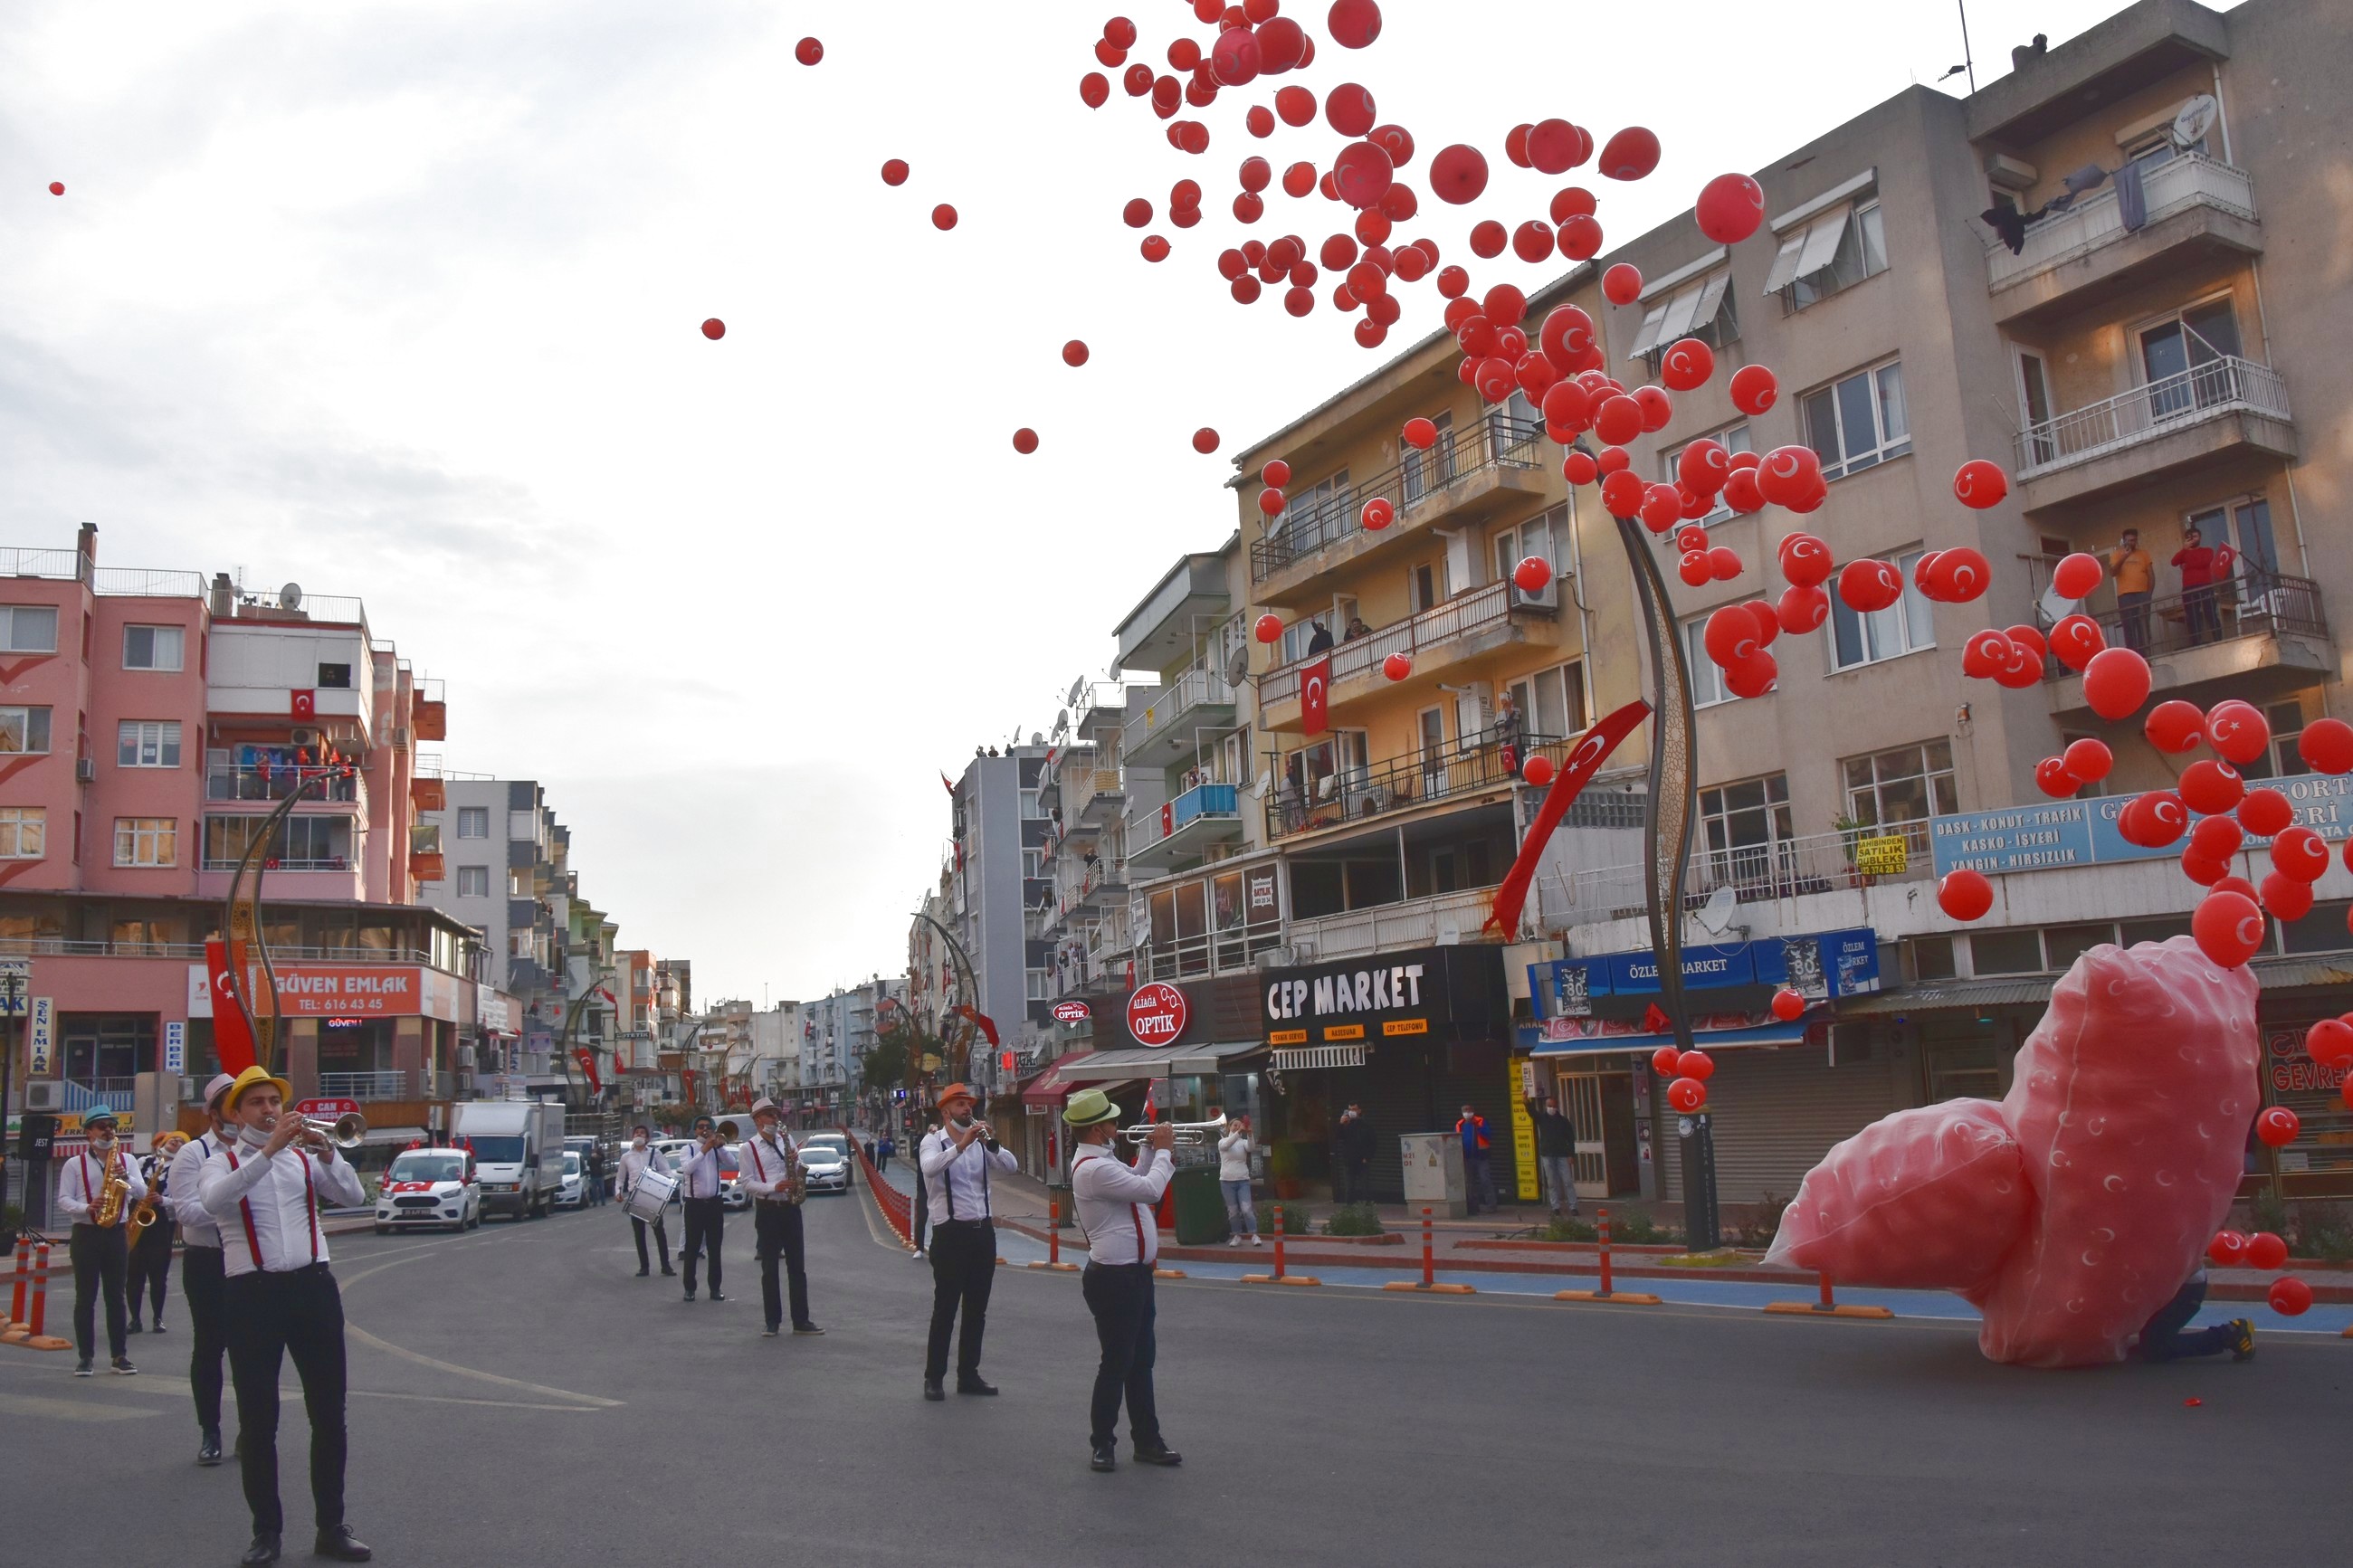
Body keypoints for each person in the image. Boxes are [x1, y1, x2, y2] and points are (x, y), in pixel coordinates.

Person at [198, 1066, 372, 1564]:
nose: (270, 1110)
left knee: (329, 1415)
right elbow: (214, 1201)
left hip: (313, 1289)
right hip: (252, 1295)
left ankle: (331, 1527)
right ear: (236, 1112)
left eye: (274, 1100)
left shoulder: (302, 1157)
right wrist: (269, 1150)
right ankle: (266, 1533)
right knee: (258, 1421)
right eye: (257, 1103)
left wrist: (329, 1153)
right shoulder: (220, 1161)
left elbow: (354, 1197)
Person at [1064, 1088, 1183, 1474]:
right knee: (1117, 1363)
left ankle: (1147, 1440)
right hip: (1114, 1279)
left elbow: (1134, 1179)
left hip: (1134, 1276)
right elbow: (1149, 1189)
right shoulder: (1093, 1168)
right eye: (1113, 1122)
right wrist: (1164, 1150)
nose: (1118, 1126)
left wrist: (1148, 1152)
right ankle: (1103, 1444)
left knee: (1141, 1362)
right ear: (1099, 1129)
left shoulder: (1104, 1161)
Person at [917, 1082, 1015, 1401]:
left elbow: (1011, 1167)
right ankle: (934, 1378)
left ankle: (968, 1375)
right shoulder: (932, 1141)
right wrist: (960, 1145)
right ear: (946, 1111)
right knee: (945, 1309)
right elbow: (930, 1169)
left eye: (968, 1103)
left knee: (977, 1309)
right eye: (959, 1104)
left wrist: (992, 1144)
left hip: (982, 1233)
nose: (966, 1109)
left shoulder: (980, 1142)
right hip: (950, 1234)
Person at [168, 1073, 240, 1466]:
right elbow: (188, 1212)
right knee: (210, 1349)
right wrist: (237, 1209)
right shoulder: (193, 1153)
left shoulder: (257, 1150)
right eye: (230, 1105)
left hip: (249, 1262)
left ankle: (253, 1427)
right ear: (212, 1113)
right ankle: (210, 1431)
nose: (236, 1112)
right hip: (208, 1262)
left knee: (254, 1350)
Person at [59, 1102, 145, 1376]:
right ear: (89, 1133)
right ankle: (86, 1357)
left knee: (116, 1296)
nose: (108, 1131)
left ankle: (119, 1355)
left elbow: (142, 1192)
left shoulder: (127, 1160)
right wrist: (86, 1207)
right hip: (85, 1233)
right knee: (85, 1297)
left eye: (111, 1127)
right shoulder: (74, 1163)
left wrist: (127, 1176)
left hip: (116, 1233)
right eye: (102, 1126)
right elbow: (63, 1199)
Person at [739, 1099, 821, 1338]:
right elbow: (746, 1183)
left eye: (776, 1114)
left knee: (797, 1267)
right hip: (768, 1209)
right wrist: (773, 1186)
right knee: (770, 1268)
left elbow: (795, 1169)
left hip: (790, 1208)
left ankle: (801, 1320)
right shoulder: (748, 1148)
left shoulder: (786, 1140)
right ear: (757, 1120)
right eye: (769, 1115)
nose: (775, 1119)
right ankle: (772, 1321)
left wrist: (795, 1163)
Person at [2135, 1268, 2255, 1364]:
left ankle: (2231, 1334)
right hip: (2173, 1281)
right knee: (2147, 1341)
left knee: (2155, 1348)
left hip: (2182, 1287)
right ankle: (2148, 1340)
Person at [129, 1134, 181, 1335]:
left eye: (180, 1142)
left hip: (160, 1225)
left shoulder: (178, 1169)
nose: (176, 1143)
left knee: (158, 1276)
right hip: (138, 1220)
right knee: (134, 1275)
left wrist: (162, 1200)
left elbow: (182, 1200)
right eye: (173, 1140)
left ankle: (157, 1318)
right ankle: (135, 1319)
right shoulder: (143, 1162)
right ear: (160, 1144)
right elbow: (131, 1185)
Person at [677, 1116, 729, 1303]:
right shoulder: (687, 1149)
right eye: (700, 1127)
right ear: (694, 1130)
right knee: (692, 1248)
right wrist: (704, 1150)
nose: (704, 1130)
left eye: (708, 1127)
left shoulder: (717, 1149)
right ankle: (689, 1288)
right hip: (694, 1205)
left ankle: (715, 1288)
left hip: (714, 1203)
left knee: (715, 1248)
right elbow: (688, 1169)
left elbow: (731, 1163)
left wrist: (719, 1146)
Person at [617, 1126, 675, 1278]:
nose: (639, 1135)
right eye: (637, 1132)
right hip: (635, 1195)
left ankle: (665, 1265)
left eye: (642, 1133)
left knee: (659, 1232)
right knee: (639, 1233)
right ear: (632, 1136)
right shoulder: (626, 1157)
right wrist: (618, 1192)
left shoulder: (655, 1153)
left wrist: (667, 1188)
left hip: (653, 1195)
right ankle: (644, 1267)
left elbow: (667, 1172)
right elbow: (620, 1178)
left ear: (647, 1138)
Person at [2171, 527, 2234, 646]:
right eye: (2189, 537)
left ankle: (2218, 639)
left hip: (2205, 586)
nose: (2192, 540)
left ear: (2200, 538)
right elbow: (2174, 562)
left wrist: (2187, 563)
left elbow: (2204, 562)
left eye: (2195, 537)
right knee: (2192, 616)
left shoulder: (2207, 550)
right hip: (2188, 588)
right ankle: (2196, 642)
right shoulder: (2184, 553)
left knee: (2210, 612)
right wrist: (2184, 550)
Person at [1529, 1095, 1579, 1219]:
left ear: (1557, 1107)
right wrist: (1525, 1101)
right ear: (1546, 1106)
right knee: (1552, 1182)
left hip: (1562, 1155)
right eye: (1549, 1106)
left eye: (1553, 1106)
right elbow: (1532, 1112)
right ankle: (1555, 1207)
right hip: (1547, 1155)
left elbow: (1570, 1139)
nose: (1551, 1108)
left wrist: (1571, 1155)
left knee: (1567, 1181)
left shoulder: (1563, 1121)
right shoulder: (1542, 1118)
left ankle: (1573, 1206)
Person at [2109, 529, 2155, 651]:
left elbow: (2151, 575)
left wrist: (2148, 594)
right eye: (2128, 540)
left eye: (2133, 540)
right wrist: (2124, 557)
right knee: (2129, 626)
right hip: (2125, 596)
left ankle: (2146, 655)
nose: (2131, 543)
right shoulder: (2117, 554)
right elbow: (2113, 572)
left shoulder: (2143, 554)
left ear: (2136, 540)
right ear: (2123, 541)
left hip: (2142, 594)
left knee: (2143, 625)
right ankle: (2132, 654)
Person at [1215, 1116, 1259, 1247]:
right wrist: (1239, 1132)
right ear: (1229, 1127)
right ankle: (1236, 1235)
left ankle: (1254, 1234)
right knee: (1233, 1211)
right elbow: (1227, 1145)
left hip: (1242, 1180)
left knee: (1246, 1209)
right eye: (1235, 1125)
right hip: (1226, 1181)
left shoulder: (1242, 1143)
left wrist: (1250, 1133)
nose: (1237, 1127)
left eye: (1240, 1125)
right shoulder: (1222, 1141)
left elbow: (1251, 1148)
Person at [910, 1106, 938, 1259]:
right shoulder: (922, 1142)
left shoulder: (943, 1143)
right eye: (932, 1130)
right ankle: (919, 1248)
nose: (934, 1132)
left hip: (939, 1187)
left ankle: (936, 1247)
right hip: (923, 1187)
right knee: (921, 1218)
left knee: (939, 1219)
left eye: (936, 1131)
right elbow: (916, 1154)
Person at [1456, 1103, 1495, 1216]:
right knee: (1470, 1183)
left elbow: (1488, 1135)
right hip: (1467, 1157)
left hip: (1481, 1157)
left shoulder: (1480, 1121)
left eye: (1469, 1110)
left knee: (1485, 1180)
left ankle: (1491, 1205)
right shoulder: (1459, 1124)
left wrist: (1477, 1127)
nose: (1467, 1112)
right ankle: (1473, 1206)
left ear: (1473, 1111)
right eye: (1465, 1110)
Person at [1334, 1104, 1375, 1205]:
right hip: (1349, 1161)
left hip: (1362, 1160)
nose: (1352, 1111)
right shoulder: (1346, 1124)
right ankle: (1349, 1208)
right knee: (1349, 1187)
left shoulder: (1365, 1124)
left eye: (1354, 1109)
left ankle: (1368, 1207)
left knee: (1365, 1186)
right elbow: (1338, 1137)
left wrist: (1367, 1157)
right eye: (1350, 1109)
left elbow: (1373, 1142)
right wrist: (1341, 1124)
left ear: (1359, 1111)